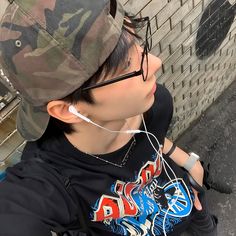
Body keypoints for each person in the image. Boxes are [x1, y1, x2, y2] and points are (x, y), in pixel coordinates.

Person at [0, 0, 218, 235]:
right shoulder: (48, 182)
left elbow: (153, 140)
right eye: (126, 64)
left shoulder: (155, 103)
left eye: (138, 44)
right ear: (68, 109)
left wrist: (188, 162)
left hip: (192, 210)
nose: (155, 63)